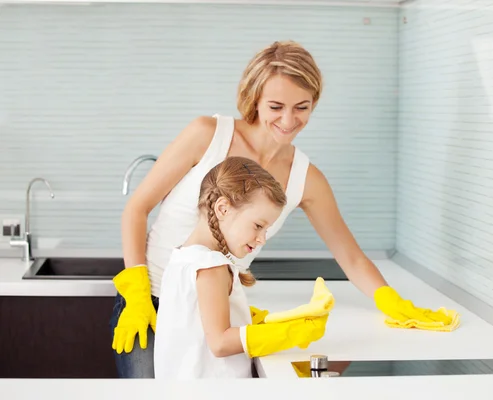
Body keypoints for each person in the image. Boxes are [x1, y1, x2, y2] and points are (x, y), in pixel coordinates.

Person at [109, 40, 453, 379]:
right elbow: (136, 209)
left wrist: (393, 302)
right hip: (152, 302)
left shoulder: (306, 179)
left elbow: (351, 258)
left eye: (301, 107)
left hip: (223, 316)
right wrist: (137, 293)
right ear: (254, 98)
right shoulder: (207, 135)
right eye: (276, 106)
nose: (288, 120)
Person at [152, 156, 329, 379]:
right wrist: (288, 333)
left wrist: (247, 318)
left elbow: (199, 324)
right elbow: (219, 343)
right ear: (223, 209)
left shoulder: (181, 257)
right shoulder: (211, 266)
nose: (262, 239)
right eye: (258, 226)